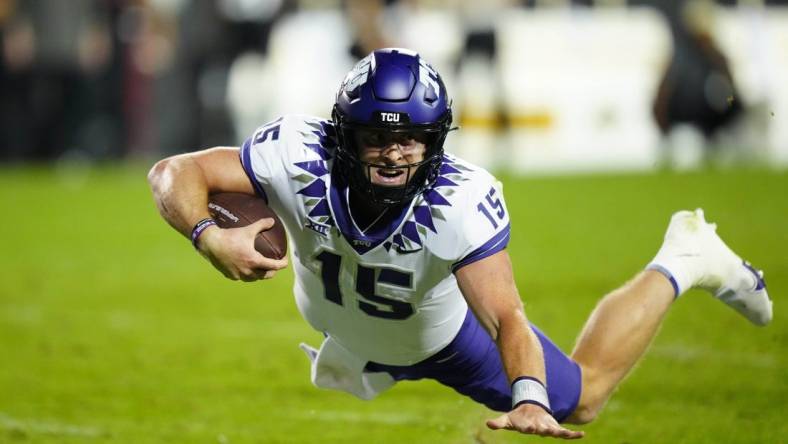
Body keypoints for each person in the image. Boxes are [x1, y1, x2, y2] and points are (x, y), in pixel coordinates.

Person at [148, 48, 773, 439]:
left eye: (413, 138)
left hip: (446, 343)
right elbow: (173, 173)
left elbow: (505, 316)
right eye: (377, 137)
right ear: (344, 135)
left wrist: (529, 398)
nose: (396, 152)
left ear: (437, 137)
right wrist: (207, 236)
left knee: (581, 399)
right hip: (363, 332)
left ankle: (685, 256)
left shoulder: (460, 200)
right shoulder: (296, 153)